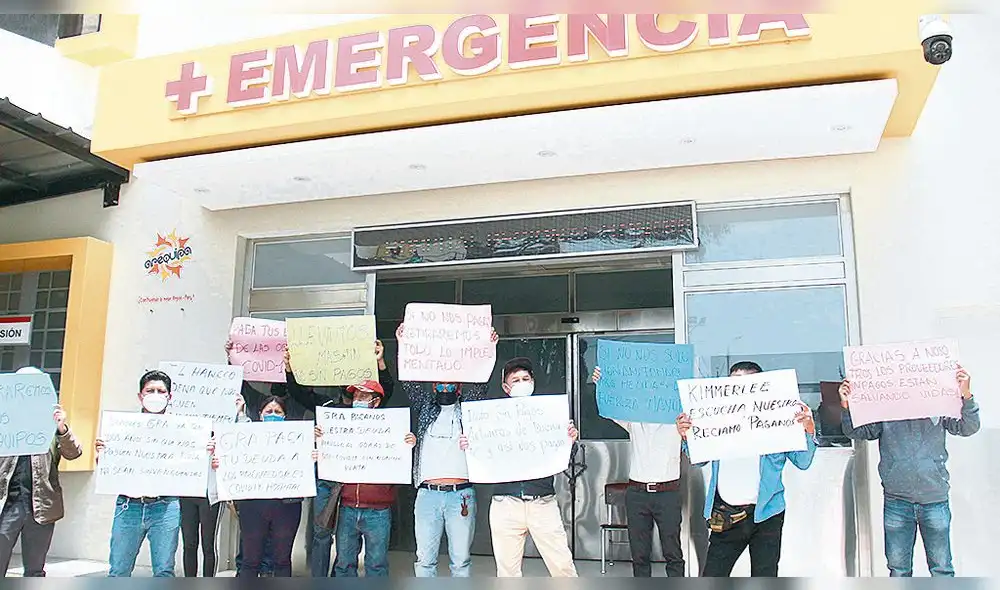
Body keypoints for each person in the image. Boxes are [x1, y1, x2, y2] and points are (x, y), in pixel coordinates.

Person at [675, 361, 816, 577]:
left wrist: (808, 428)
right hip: (727, 514)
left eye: (746, 385)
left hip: (767, 515)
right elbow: (698, 460)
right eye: (733, 386)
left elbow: (803, 462)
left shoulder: (778, 419)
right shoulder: (716, 418)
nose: (738, 392)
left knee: (765, 576)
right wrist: (687, 436)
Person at [839, 365, 979, 577]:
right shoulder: (886, 410)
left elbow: (969, 427)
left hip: (935, 500)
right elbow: (857, 431)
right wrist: (846, 405)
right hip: (897, 501)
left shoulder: (940, 406)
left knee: (941, 569)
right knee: (898, 571)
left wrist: (966, 394)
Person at [281, 343, 397, 577]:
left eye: (364, 395)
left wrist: (380, 362)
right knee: (331, 545)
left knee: (374, 562)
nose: (358, 399)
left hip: (374, 503)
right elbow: (300, 394)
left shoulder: (387, 423)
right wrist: (290, 369)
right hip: (339, 494)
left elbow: (388, 388)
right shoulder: (330, 408)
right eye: (356, 394)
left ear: (375, 401)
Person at [396, 322, 498, 578]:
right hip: (428, 495)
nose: (445, 388)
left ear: (459, 388)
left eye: (450, 384)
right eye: (440, 385)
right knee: (424, 560)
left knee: (461, 561)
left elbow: (482, 382)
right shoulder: (425, 408)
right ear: (433, 388)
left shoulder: (468, 410)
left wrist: (488, 348)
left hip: (460, 496)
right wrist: (403, 345)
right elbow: (408, 381)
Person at [464, 357, 578, 577]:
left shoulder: (548, 415)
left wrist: (569, 441)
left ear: (533, 382)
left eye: (525, 378)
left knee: (562, 567)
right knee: (507, 572)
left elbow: (563, 458)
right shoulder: (491, 418)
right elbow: (482, 452)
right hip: (505, 503)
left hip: (542, 502)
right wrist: (471, 444)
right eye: (515, 379)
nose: (521, 382)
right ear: (506, 387)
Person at [95, 370, 215, 577]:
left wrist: (206, 452)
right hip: (128, 505)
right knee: (118, 571)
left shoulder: (185, 431)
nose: (156, 394)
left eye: (161, 391)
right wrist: (104, 456)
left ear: (170, 397)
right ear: (140, 396)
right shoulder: (121, 429)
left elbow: (193, 465)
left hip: (165, 506)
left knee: (164, 572)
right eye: (150, 390)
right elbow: (111, 466)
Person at [591, 365, 685, 577]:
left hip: (668, 493)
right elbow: (609, 409)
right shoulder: (635, 420)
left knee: (673, 553)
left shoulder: (678, 421)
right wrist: (601, 383)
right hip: (637, 494)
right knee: (639, 554)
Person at [219, 396, 318, 577]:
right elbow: (231, 454)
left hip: (287, 506)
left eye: (278, 412)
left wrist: (311, 455)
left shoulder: (296, 440)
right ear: (260, 415)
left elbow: (304, 469)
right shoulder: (247, 437)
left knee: (281, 560)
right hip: (253, 505)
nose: (273, 415)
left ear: (285, 416)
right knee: (250, 560)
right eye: (269, 411)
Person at [0, 367, 83, 577]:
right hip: (7, 504)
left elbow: (74, 453)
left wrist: (62, 428)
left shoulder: (51, 424)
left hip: (41, 505)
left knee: (35, 568)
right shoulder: (5, 422)